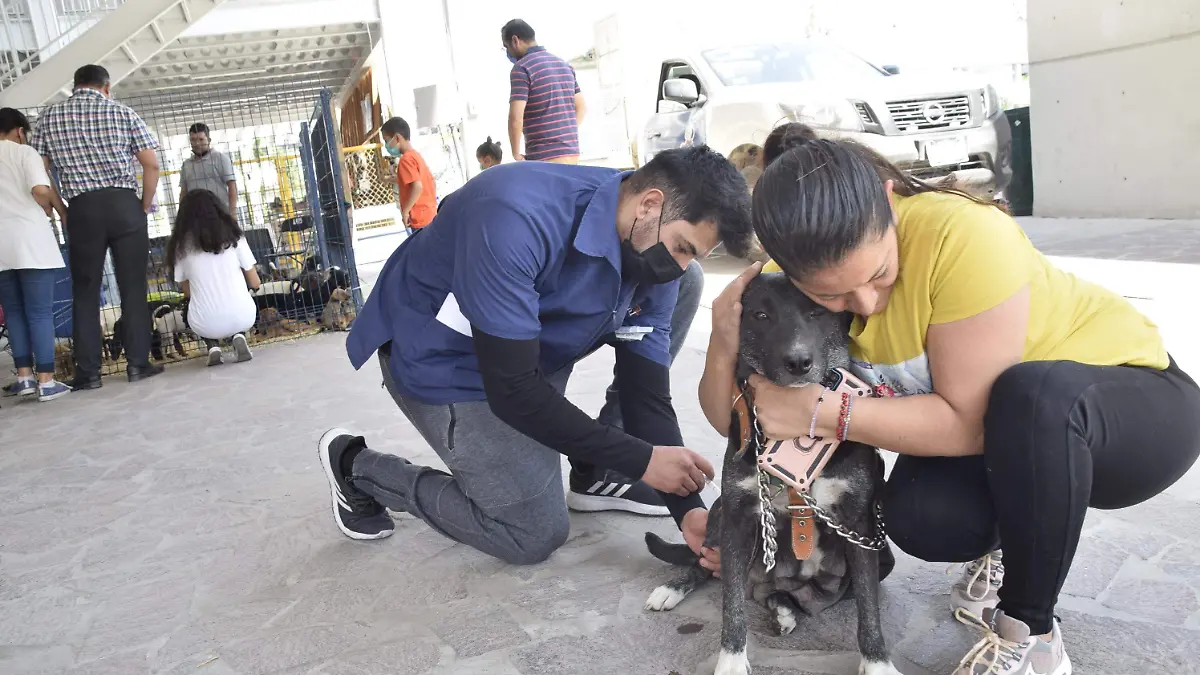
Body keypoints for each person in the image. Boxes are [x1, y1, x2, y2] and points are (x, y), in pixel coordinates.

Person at [698, 122, 1200, 675]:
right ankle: (1017, 537)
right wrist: (725, 343)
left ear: (888, 203)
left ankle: (1030, 635)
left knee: (1030, 396)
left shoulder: (963, 235)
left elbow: (971, 426)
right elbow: (732, 421)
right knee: (920, 515)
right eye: (828, 295)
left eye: (880, 273)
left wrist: (823, 413)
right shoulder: (783, 282)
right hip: (1007, 437)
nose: (865, 302)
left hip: (1129, 412)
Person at [316, 147, 751, 568]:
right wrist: (642, 460)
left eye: (696, 251)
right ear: (649, 205)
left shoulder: (654, 247)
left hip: (529, 349)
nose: (678, 264)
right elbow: (513, 389)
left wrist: (689, 512)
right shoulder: (513, 217)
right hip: (446, 360)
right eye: (683, 246)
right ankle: (354, 466)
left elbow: (646, 394)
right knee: (531, 532)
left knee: (688, 282)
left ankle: (599, 467)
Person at [30, 64, 164, 388]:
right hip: (123, 204)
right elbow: (151, 164)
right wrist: (143, 204)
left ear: (75, 86)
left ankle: (88, 373)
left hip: (82, 209)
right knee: (132, 287)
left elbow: (38, 171)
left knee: (85, 291)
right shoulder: (122, 112)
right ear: (106, 87)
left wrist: (62, 208)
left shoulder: (49, 117)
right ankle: (137, 365)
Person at [0, 108, 71, 402]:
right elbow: (40, 188)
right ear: (19, 131)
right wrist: (47, 205)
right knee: (40, 312)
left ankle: (25, 378)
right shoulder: (24, 152)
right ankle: (46, 381)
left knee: (14, 313)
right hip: (30, 240)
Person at [166, 189, 260, 366]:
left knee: (192, 306)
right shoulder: (235, 238)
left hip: (205, 322)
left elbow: (187, 293)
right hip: (244, 315)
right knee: (237, 298)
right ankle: (238, 334)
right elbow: (255, 282)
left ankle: (212, 345)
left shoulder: (181, 247)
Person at [503, 19, 586, 164]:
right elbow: (581, 107)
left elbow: (516, 118)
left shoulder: (522, 68)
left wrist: (516, 154)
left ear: (515, 40)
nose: (508, 53)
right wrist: (563, 136)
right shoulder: (564, 65)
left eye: (506, 47)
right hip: (572, 155)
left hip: (544, 159)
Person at [381, 117, 437, 233]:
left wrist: (405, 211)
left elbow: (417, 187)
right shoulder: (415, 156)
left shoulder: (405, 160)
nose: (386, 146)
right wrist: (392, 179)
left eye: (386, 141)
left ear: (397, 138)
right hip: (429, 214)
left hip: (419, 219)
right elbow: (414, 180)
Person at [179, 122, 238, 216]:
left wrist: (232, 213)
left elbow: (232, 186)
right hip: (196, 217)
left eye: (201, 139)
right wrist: (182, 215)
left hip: (220, 214)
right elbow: (183, 192)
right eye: (193, 140)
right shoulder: (186, 165)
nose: (197, 143)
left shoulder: (220, 158)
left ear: (209, 140)